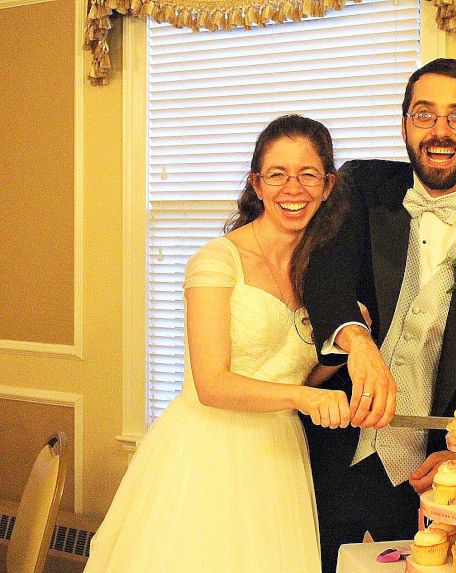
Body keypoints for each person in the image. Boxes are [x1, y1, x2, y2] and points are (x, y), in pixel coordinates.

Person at [302, 58, 456, 573]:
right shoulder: (360, 188)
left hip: (429, 473)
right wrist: (357, 341)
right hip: (326, 453)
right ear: (404, 124)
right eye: (424, 114)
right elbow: (323, 279)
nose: (440, 132)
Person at [85, 115, 351, 573]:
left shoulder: (320, 272)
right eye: (277, 175)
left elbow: (294, 372)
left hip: (279, 458)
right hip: (208, 452)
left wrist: (338, 353)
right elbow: (212, 383)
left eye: (308, 174)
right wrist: (304, 397)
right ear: (257, 184)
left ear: (327, 186)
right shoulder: (216, 260)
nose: (294, 188)